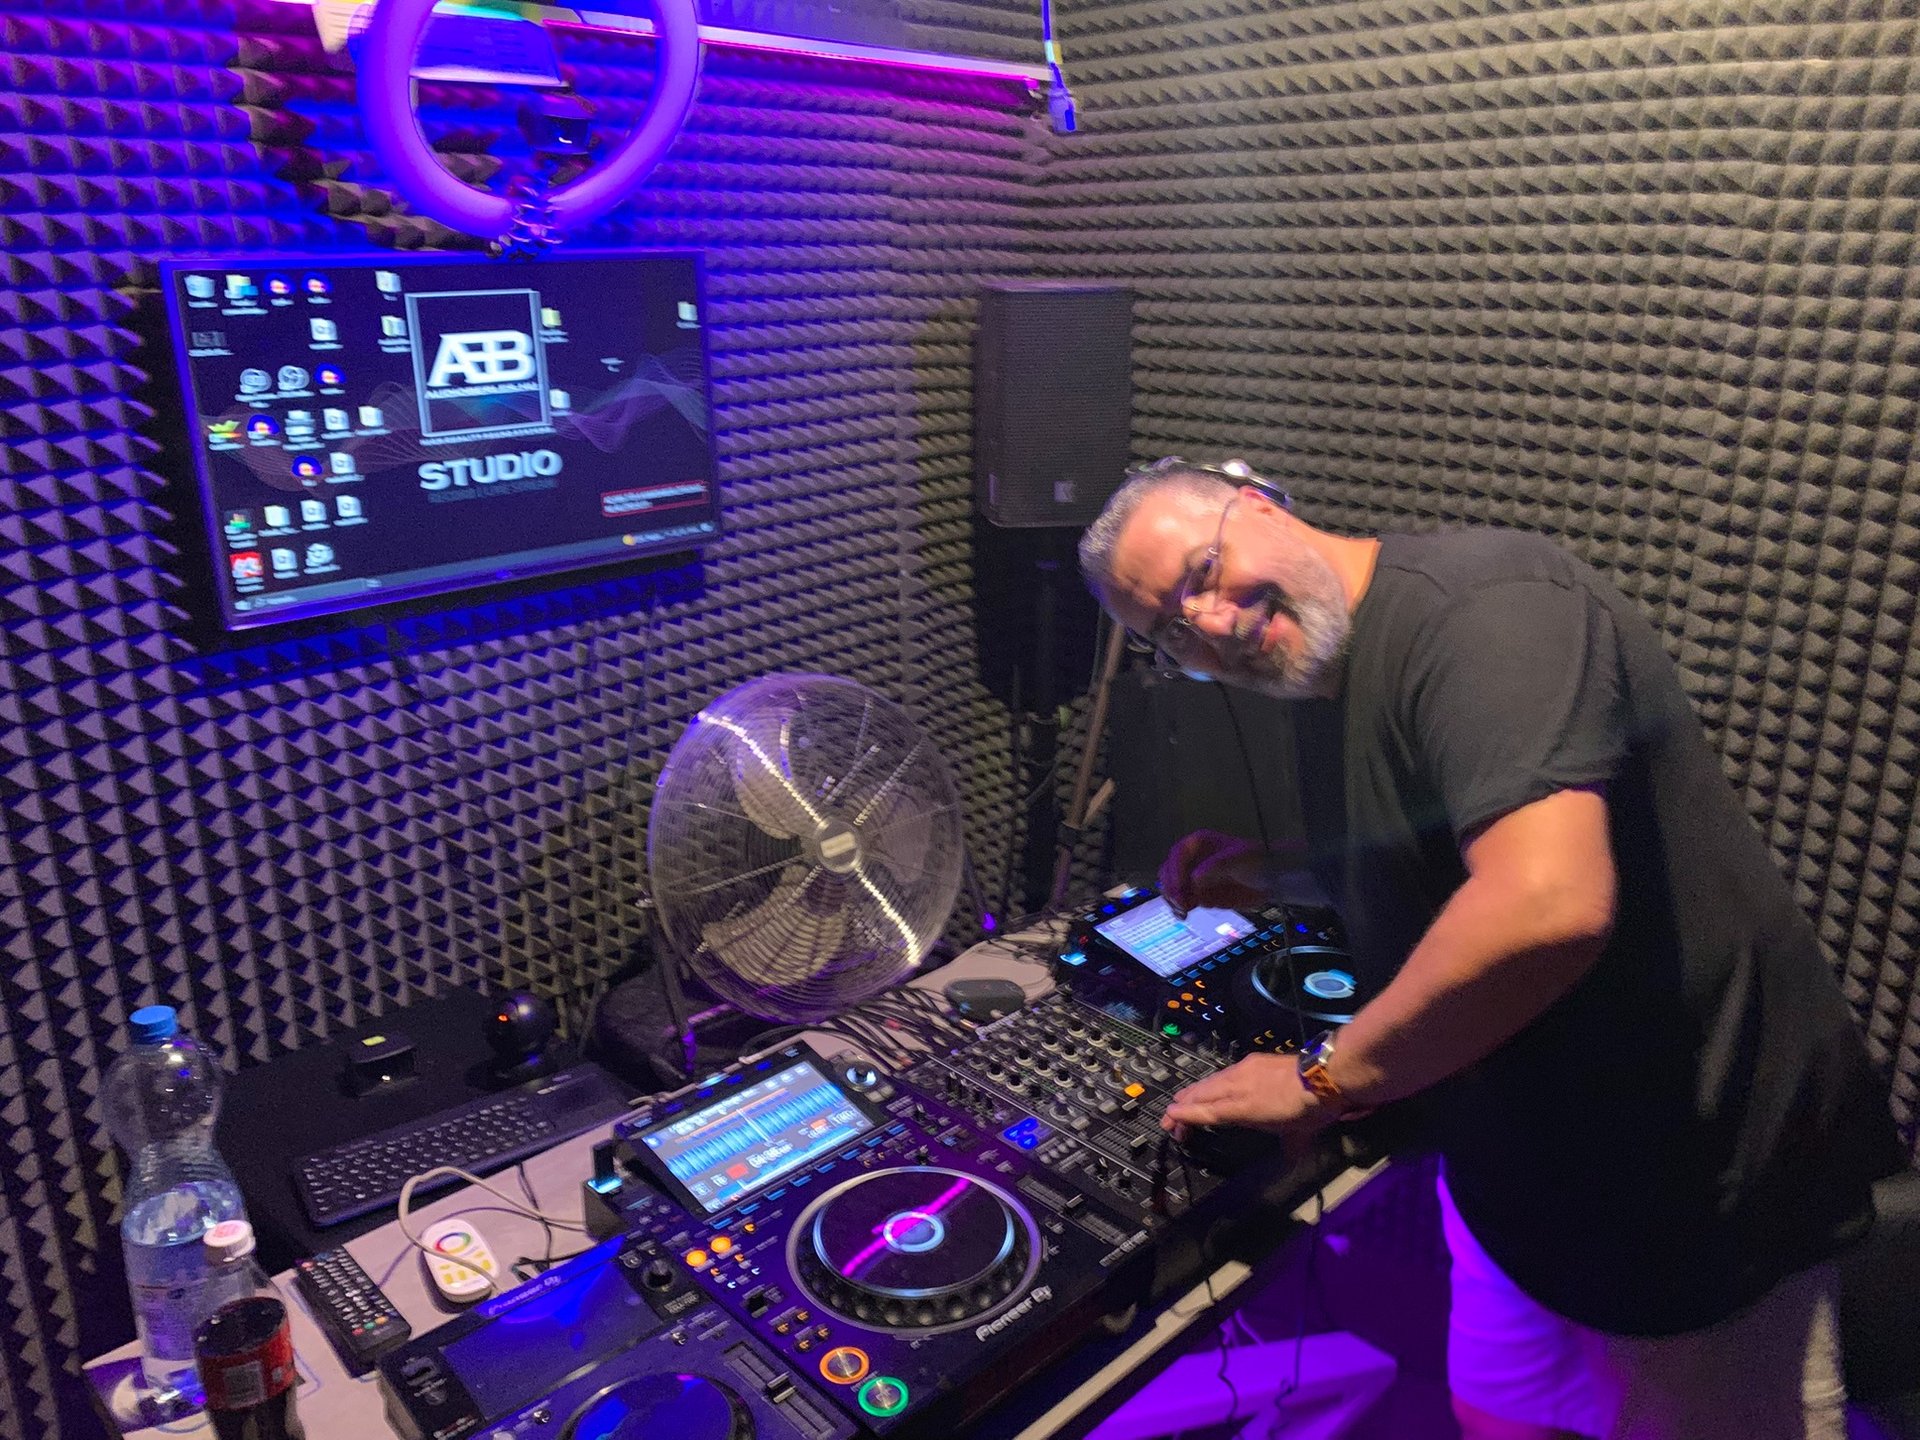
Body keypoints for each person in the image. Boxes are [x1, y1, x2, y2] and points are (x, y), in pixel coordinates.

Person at [1075, 458, 1904, 1440]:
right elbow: (1437, 843)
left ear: (1258, 504)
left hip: (1683, 1180)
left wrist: (1320, 1082)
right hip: (1514, 1178)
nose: (1205, 625)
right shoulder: (1322, 668)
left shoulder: (1487, 611)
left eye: (1201, 574)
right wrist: (1285, 867)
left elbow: (1543, 906)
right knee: (1497, 1412)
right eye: (1169, 631)